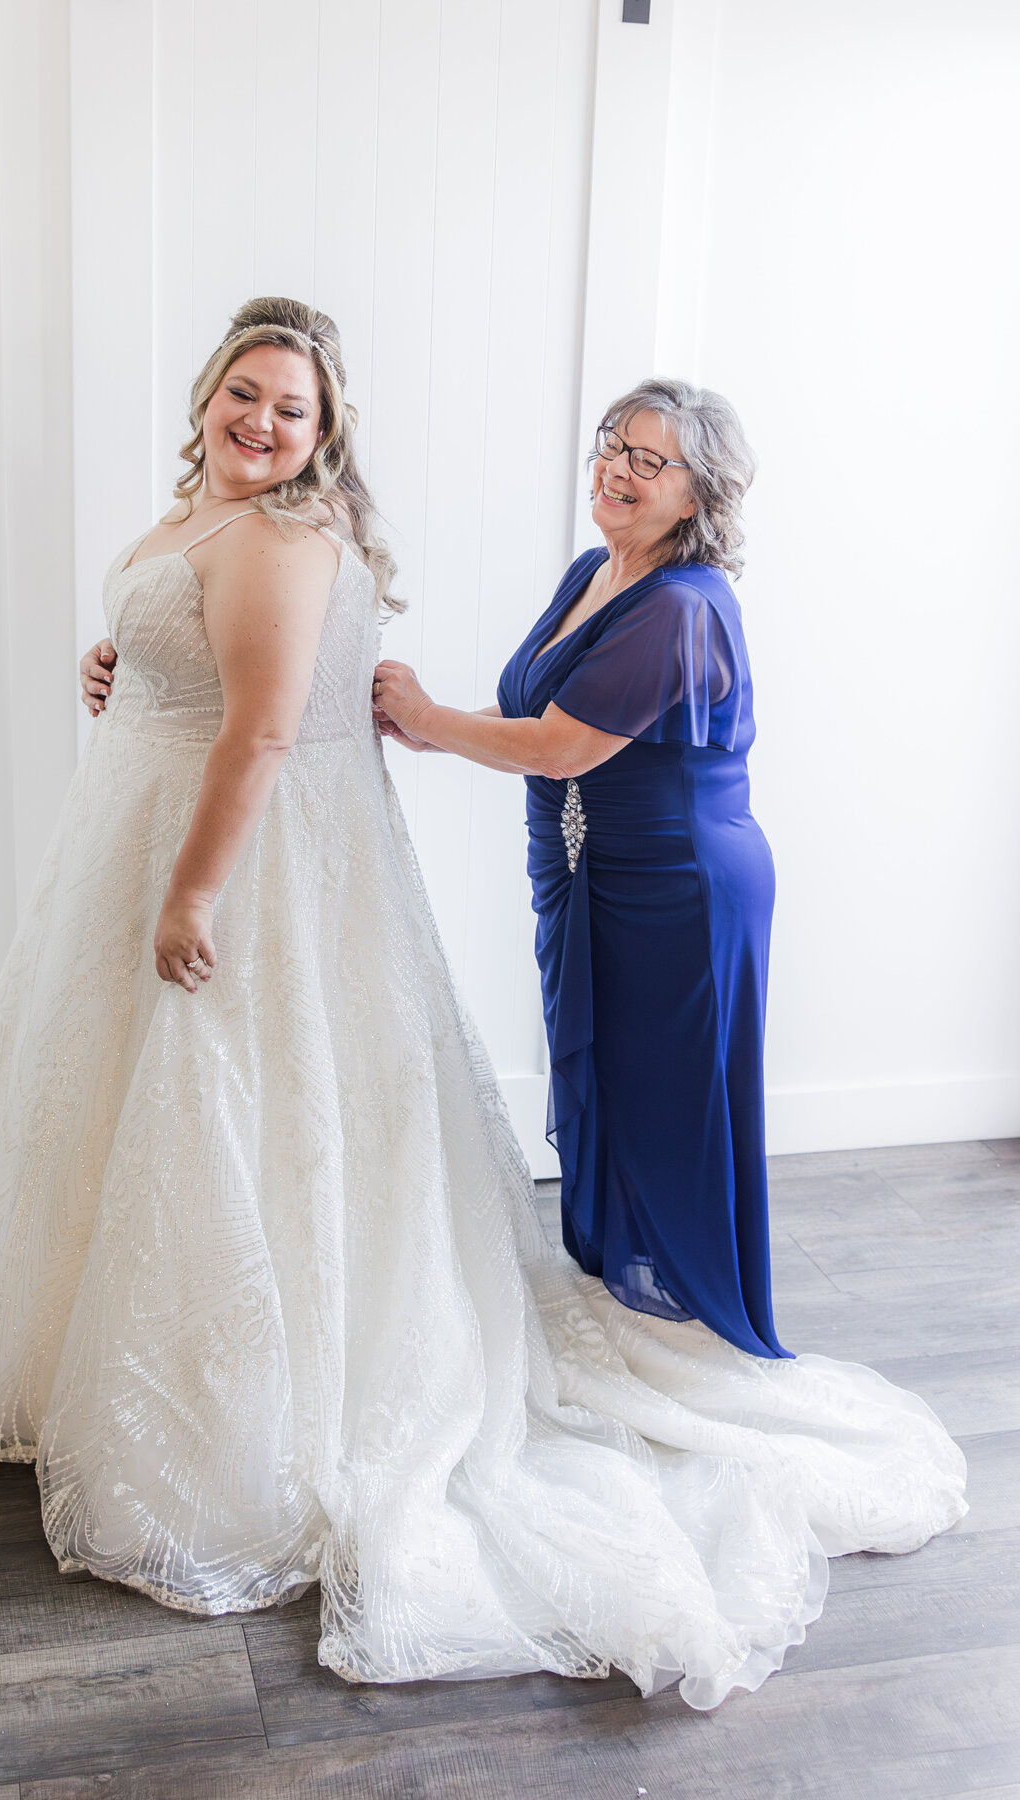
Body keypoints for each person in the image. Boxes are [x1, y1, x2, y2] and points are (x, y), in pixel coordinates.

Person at [0, 316, 965, 1709]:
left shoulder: (623, 597)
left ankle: (694, 1304)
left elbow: (315, 730)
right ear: (205, 401)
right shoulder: (531, 562)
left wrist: (216, 878)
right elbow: (212, 661)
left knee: (639, 1098)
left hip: (660, 876)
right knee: (591, 1097)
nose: (264, 422)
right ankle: (636, 1271)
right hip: (570, 864)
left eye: (293, 408)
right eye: (244, 395)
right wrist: (129, 669)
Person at [373, 380, 780, 1357]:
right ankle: (625, 1294)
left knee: (665, 1099)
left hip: (676, 886)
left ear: (700, 494)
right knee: (606, 1077)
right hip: (591, 873)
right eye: (612, 444)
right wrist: (428, 727)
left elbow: (560, 748)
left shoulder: (682, 606)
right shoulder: (595, 572)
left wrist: (428, 723)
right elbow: (536, 715)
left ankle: (686, 1317)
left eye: (650, 459)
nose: (617, 468)